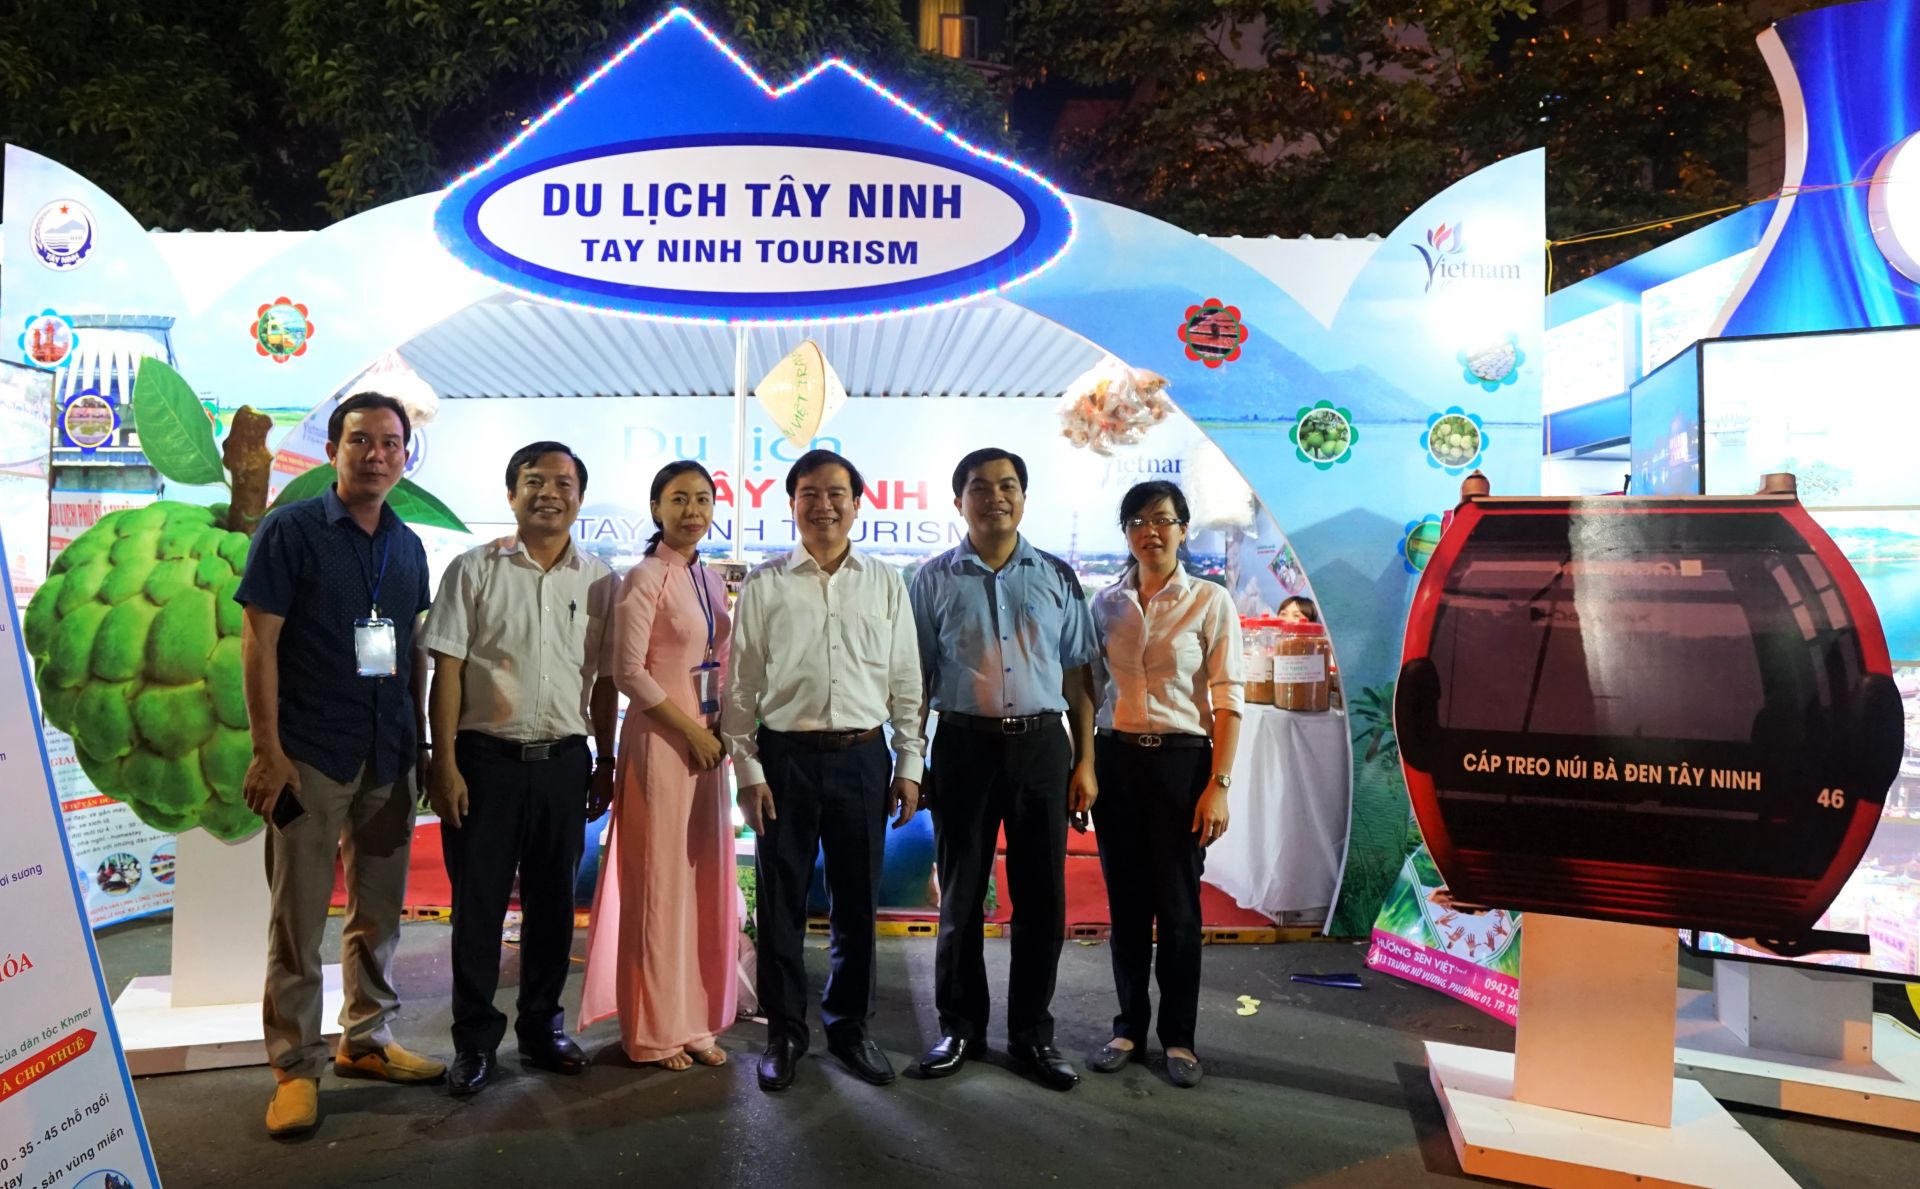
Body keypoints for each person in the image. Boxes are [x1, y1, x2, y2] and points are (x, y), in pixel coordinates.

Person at [236, 392, 442, 1138]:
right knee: (297, 918)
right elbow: (259, 643)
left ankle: (367, 1038)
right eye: (361, 440)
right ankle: (295, 1066)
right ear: (333, 451)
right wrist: (268, 751)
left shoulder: (408, 546)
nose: (376, 454)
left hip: (389, 753)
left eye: (390, 442)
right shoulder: (290, 531)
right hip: (309, 756)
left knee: (379, 912)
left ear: (405, 456)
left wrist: (422, 745)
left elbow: (411, 651)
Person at [720, 449, 925, 1093]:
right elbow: (740, 685)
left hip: (864, 758)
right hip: (785, 760)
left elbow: (906, 678)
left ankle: (850, 1027)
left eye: (836, 493)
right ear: (792, 504)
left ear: (858, 504)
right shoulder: (766, 584)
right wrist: (748, 769)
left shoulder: (885, 582)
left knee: (856, 902)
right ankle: (785, 1031)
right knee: (781, 899)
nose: (824, 505)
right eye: (809, 493)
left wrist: (909, 760)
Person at [419, 441, 618, 1097]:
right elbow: (447, 668)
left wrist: (606, 759)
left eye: (563, 483)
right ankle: (475, 1042)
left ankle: (541, 1028)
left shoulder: (600, 580)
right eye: (534, 481)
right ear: (512, 494)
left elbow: (605, 681)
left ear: (580, 499)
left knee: (554, 906)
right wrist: (444, 761)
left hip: (564, 762)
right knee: (477, 908)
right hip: (485, 764)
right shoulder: (474, 570)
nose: (549, 493)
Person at [910, 447, 1098, 1091]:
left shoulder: (1056, 576)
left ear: (1024, 496)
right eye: (980, 486)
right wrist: (913, 759)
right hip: (963, 748)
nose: (996, 497)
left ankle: (1031, 1035)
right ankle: (959, 1027)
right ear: (957, 500)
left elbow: (1078, 677)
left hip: (1043, 748)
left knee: (1042, 897)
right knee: (962, 895)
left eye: (1008, 485)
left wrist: (1086, 761)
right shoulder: (931, 579)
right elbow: (915, 678)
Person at [580, 460, 740, 1071]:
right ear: (656, 508)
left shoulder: (708, 578)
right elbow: (628, 672)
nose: (692, 510)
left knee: (699, 882)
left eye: (702, 499)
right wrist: (689, 731)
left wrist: (718, 727)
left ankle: (693, 1018)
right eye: (678, 499)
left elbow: (720, 661)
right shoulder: (643, 577)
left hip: (707, 744)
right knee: (657, 885)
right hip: (661, 744)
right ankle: (651, 1030)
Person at [1084, 481, 1243, 1088]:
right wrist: (1084, 765)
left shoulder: (1209, 601)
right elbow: (1090, 692)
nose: (1150, 531)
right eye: (1137, 521)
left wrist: (1219, 784)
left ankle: (1179, 1038)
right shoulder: (1106, 604)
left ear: (1183, 529)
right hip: (1117, 762)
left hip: (1182, 764)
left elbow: (1228, 699)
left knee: (1178, 908)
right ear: (1126, 532)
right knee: (1126, 905)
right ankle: (1127, 1028)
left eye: (1162, 520)